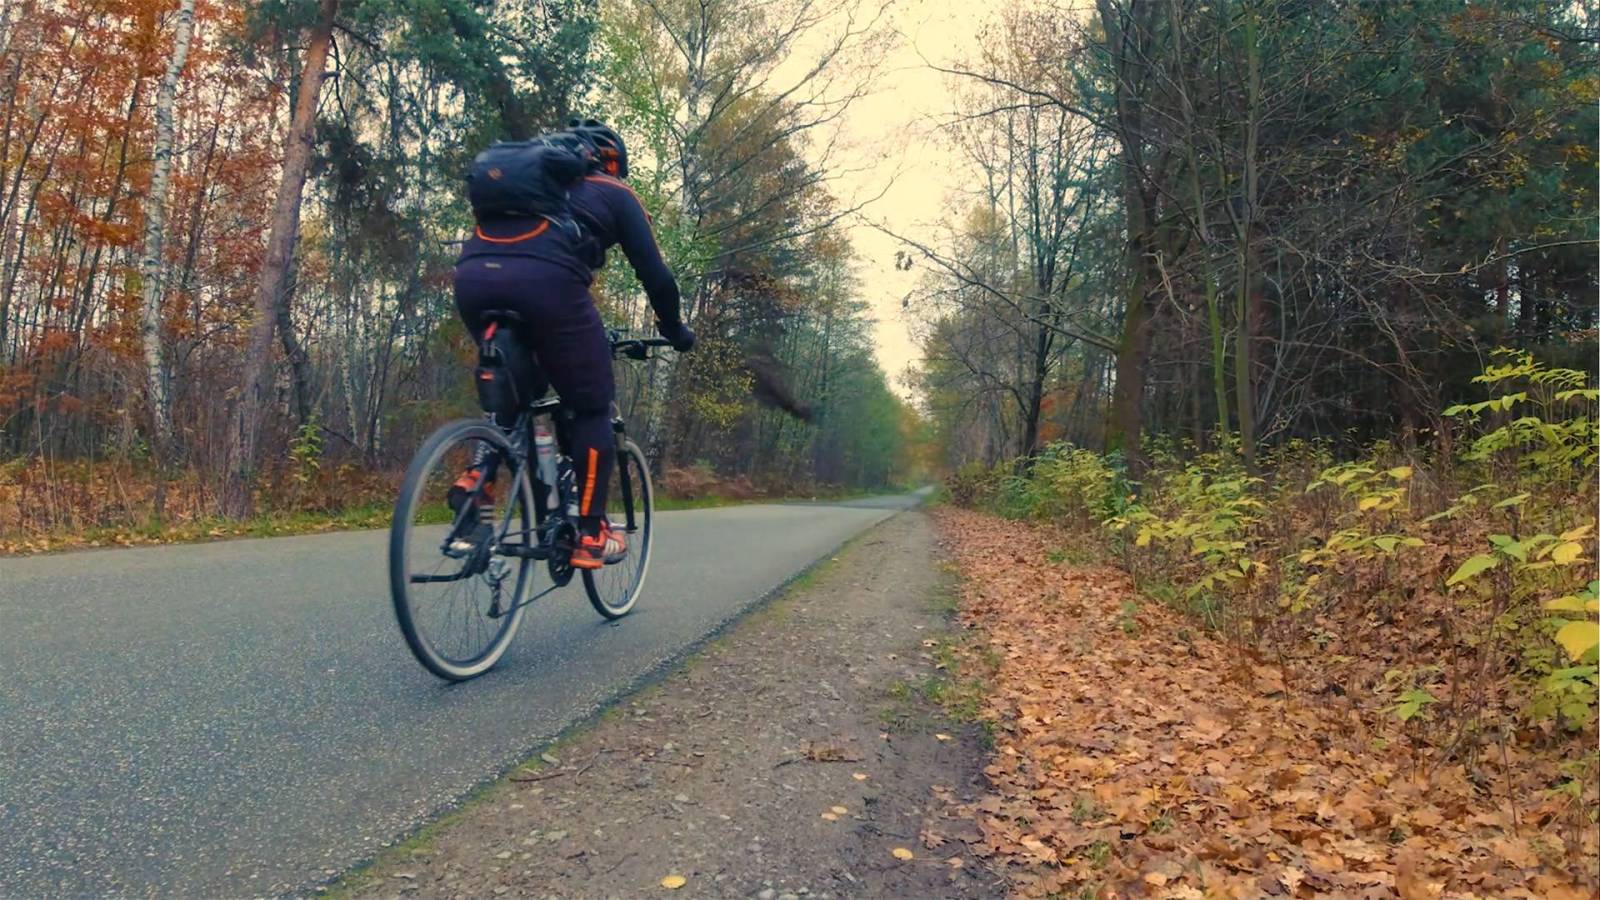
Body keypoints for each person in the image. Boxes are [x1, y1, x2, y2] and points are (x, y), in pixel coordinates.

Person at [452, 118, 695, 569]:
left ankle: (477, 477)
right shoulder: (615, 193)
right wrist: (675, 330)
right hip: (547, 285)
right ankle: (590, 531)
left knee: (516, 389)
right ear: (610, 162)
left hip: (473, 278)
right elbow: (657, 277)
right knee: (591, 407)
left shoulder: (527, 186)